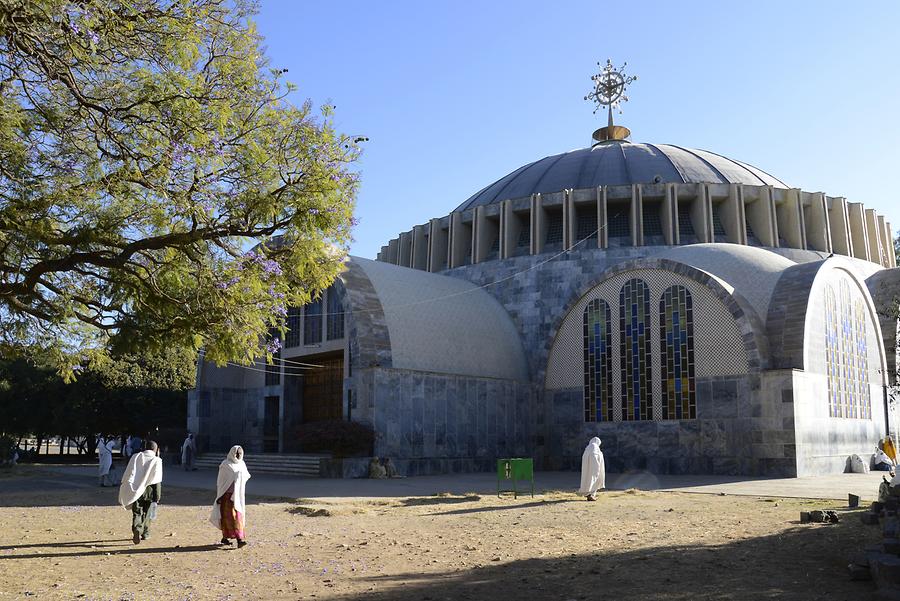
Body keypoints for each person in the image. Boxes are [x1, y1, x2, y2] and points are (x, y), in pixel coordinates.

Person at [118, 440, 163, 544]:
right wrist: (157, 496)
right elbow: (157, 481)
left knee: (137, 512)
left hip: (136, 490)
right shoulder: (157, 460)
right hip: (150, 491)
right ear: (156, 450)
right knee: (148, 513)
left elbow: (129, 473)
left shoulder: (136, 457)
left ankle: (137, 529)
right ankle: (146, 533)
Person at [210, 445, 251, 548]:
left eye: (239, 454)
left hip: (237, 496)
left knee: (238, 517)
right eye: (236, 453)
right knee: (227, 518)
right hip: (226, 496)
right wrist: (220, 495)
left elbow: (246, 475)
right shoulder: (225, 464)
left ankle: (237, 538)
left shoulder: (242, 464)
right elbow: (221, 482)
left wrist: (240, 476)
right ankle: (233, 538)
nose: (237, 455)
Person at [578, 437, 605, 501]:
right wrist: (597, 467)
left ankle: (590, 494)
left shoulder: (588, 447)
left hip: (587, 468)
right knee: (592, 479)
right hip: (593, 467)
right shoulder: (594, 447)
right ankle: (590, 494)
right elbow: (595, 457)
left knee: (588, 479)